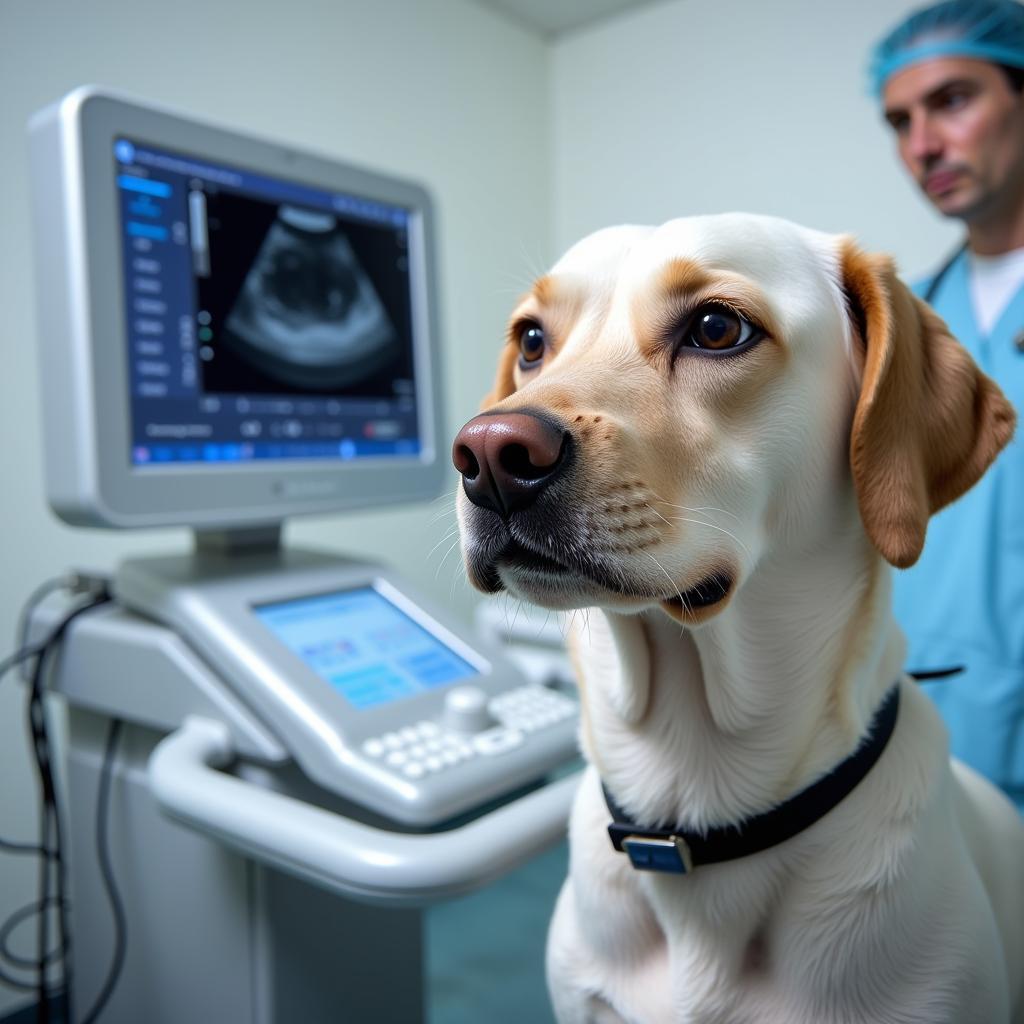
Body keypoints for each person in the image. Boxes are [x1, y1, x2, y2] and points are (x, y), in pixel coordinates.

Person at [869, 0, 1024, 812]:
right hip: (927, 725)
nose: (922, 143)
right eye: (900, 120)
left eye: (952, 100)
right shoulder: (909, 326)